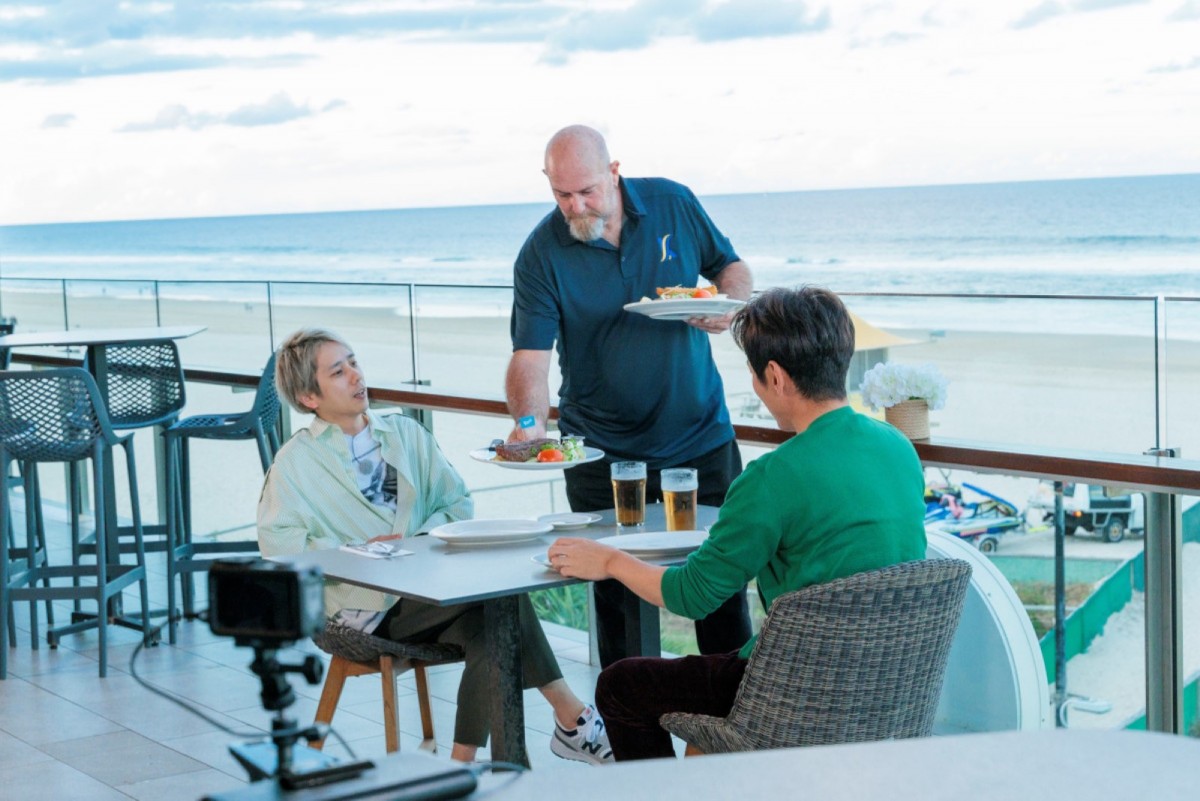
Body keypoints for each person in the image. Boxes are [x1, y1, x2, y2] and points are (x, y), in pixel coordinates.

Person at [545, 286, 928, 760]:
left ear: (775, 375)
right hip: (889, 682)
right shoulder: (897, 446)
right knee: (711, 694)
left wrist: (609, 560)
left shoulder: (771, 476)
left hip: (797, 688)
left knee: (622, 685)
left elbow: (692, 594)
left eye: (752, 372)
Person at [257, 328, 612, 765]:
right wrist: (357, 551)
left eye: (354, 362)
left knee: (495, 626)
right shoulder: (296, 462)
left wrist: (416, 540)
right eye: (338, 371)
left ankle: (462, 769)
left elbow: (457, 502)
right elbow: (279, 547)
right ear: (309, 397)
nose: (355, 375)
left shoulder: (404, 434)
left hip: (429, 590)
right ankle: (573, 720)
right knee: (502, 606)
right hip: (362, 609)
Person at [505, 124, 753, 667]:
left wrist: (726, 303)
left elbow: (730, 269)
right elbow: (530, 359)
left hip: (701, 442)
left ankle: (735, 741)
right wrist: (529, 423)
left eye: (587, 190)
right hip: (602, 458)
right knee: (616, 612)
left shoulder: (673, 202)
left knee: (722, 600)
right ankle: (631, 746)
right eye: (561, 194)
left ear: (614, 172)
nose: (575, 206)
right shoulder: (541, 254)